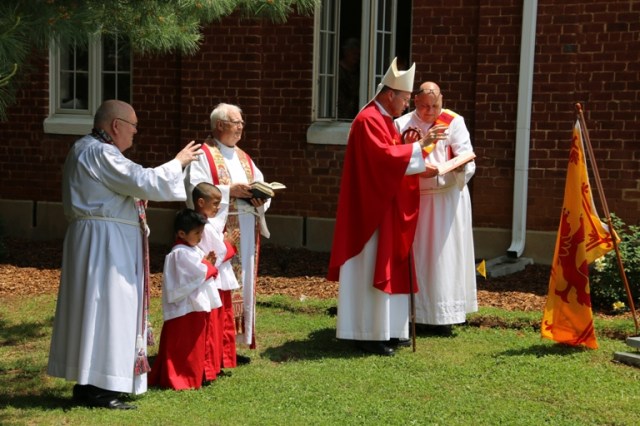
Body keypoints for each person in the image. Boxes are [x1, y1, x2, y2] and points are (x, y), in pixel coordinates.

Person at [47, 100, 203, 409]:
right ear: (116, 125)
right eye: (133, 127)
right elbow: (143, 181)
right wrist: (178, 162)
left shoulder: (83, 148)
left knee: (94, 309)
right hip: (105, 244)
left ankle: (92, 380)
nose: (135, 134)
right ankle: (102, 386)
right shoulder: (101, 153)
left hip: (96, 239)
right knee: (109, 308)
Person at [327, 58, 448, 356]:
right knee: (370, 267)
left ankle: (390, 330)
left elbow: (394, 156)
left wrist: (416, 149)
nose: (407, 105)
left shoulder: (382, 119)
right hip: (370, 211)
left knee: (390, 265)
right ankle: (367, 333)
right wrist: (420, 148)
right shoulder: (369, 119)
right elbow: (383, 160)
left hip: (384, 207)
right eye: (405, 99)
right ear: (390, 94)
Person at [185, 102, 270, 357]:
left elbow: (262, 183)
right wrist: (227, 191)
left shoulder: (244, 158)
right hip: (217, 230)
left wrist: (261, 197)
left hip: (245, 227)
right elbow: (194, 190)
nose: (241, 127)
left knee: (241, 282)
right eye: (236, 122)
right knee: (220, 283)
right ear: (220, 125)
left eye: (242, 123)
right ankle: (216, 342)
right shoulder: (204, 154)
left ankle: (233, 342)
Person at [395, 81, 478, 336]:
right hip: (416, 198)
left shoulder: (453, 121)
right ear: (415, 102)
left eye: (435, 105)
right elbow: (396, 156)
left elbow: (466, 154)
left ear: (442, 100)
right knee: (419, 256)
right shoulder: (402, 123)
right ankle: (414, 314)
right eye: (424, 107)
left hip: (446, 199)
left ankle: (443, 316)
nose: (430, 111)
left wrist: (460, 167)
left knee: (444, 259)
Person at [148, 209, 222, 390]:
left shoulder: (191, 249)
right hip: (185, 308)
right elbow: (196, 274)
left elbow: (200, 269)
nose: (200, 237)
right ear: (182, 233)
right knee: (184, 347)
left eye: (201, 233)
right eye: (197, 233)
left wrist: (206, 264)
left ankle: (197, 374)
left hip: (195, 306)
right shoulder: (179, 253)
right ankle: (181, 378)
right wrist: (209, 266)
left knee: (194, 346)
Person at [193, 182, 242, 374]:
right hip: (213, 280)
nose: (218, 208)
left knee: (223, 322)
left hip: (220, 278)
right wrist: (229, 244)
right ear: (200, 202)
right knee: (214, 324)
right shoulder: (201, 225)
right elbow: (215, 254)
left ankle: (220, 360)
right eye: (215, 203)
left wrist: (226, 243)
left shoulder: (208, 223)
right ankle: (211, 364)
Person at [337, 38, 361, 119]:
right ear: (346, 52)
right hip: (339, 113)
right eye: (353, 53)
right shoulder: (337, 71)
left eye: (357, 54)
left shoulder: (358, 72)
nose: (356, 57)